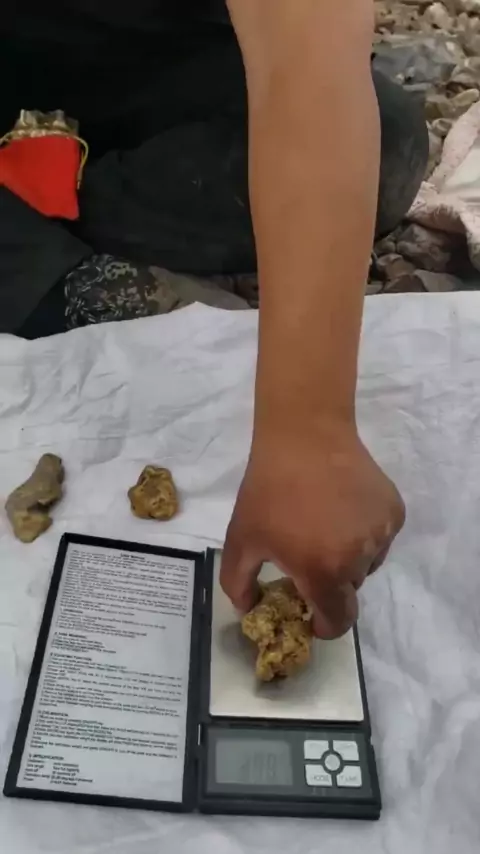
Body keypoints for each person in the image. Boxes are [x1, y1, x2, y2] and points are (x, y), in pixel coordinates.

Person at [1, 0, 427, 637]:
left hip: (150, 69)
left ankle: (50, 190)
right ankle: (48, 256)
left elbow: (301, 61)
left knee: (387, 139)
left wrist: (309, 431)